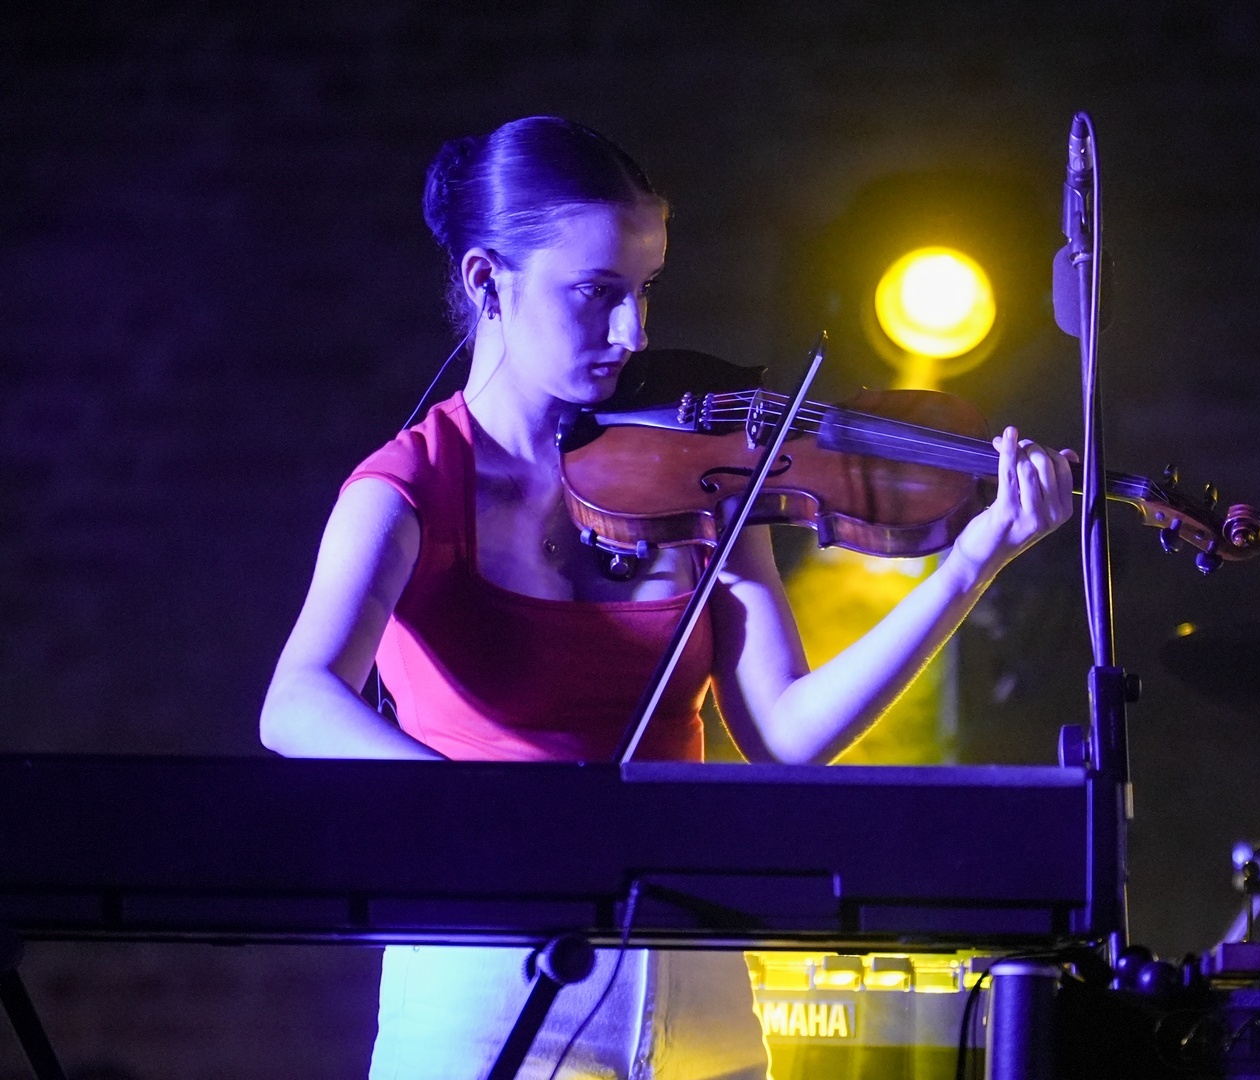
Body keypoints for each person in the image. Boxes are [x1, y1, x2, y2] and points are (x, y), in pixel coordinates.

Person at [260, 116, 1076, 1080]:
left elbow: (784, 734)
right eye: (596, 293)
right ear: (487, 282)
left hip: (696, 975)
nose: (633, 334)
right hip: (484, 977)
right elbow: (297, 702)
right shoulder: (408, 486)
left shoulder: (695, 475)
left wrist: (971, 562)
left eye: (644, 290)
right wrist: (481, 811)